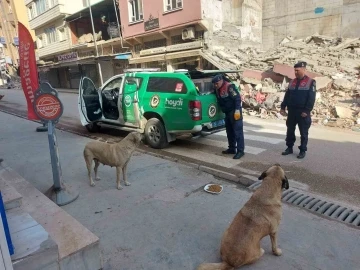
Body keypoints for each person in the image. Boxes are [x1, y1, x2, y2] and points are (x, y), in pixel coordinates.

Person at [280, 61, 316, 159]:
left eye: (297, 70)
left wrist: (307, 111)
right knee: (290, 130)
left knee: (303, 132)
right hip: (292, 111)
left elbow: (311, 98)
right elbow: (287, 96)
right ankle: (289, 147)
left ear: (304, 70)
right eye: (295, 70)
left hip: (302, 112)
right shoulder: (292, 82)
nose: (295, 72)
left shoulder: (310, 82)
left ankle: (302, 150)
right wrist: (283, 107)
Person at [212, 74, 245, 159]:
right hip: (227, 113)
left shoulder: (229, 87)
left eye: (217, 83)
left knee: (238, 132)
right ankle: (232, 148)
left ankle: (240, 151)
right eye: (214, 84)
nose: (215, 85)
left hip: (234, 111)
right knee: (229, 132)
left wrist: (237, 110)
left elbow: (237, 98)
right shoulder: (217, 89)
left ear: (221, 81)